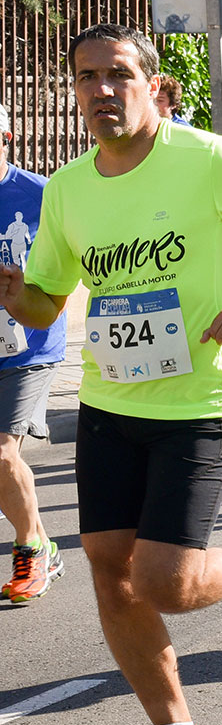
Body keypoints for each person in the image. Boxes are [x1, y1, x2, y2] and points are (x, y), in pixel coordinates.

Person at [0, 24, 222, 725]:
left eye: (117, 75)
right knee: (111, 571)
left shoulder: (209, 159)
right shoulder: (69, 187)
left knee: (167, 582)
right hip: (111, 397)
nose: (101, 91)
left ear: (151, 81)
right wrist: (11, 286)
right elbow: (45, 304)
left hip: (199, 398)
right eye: (86, 78)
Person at [0, 101, 67, 602]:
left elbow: (76, 261)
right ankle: (43, 541)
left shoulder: (41, 194)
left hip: (29, 344)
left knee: (2, 453)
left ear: (5, 140)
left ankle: (30, 551)